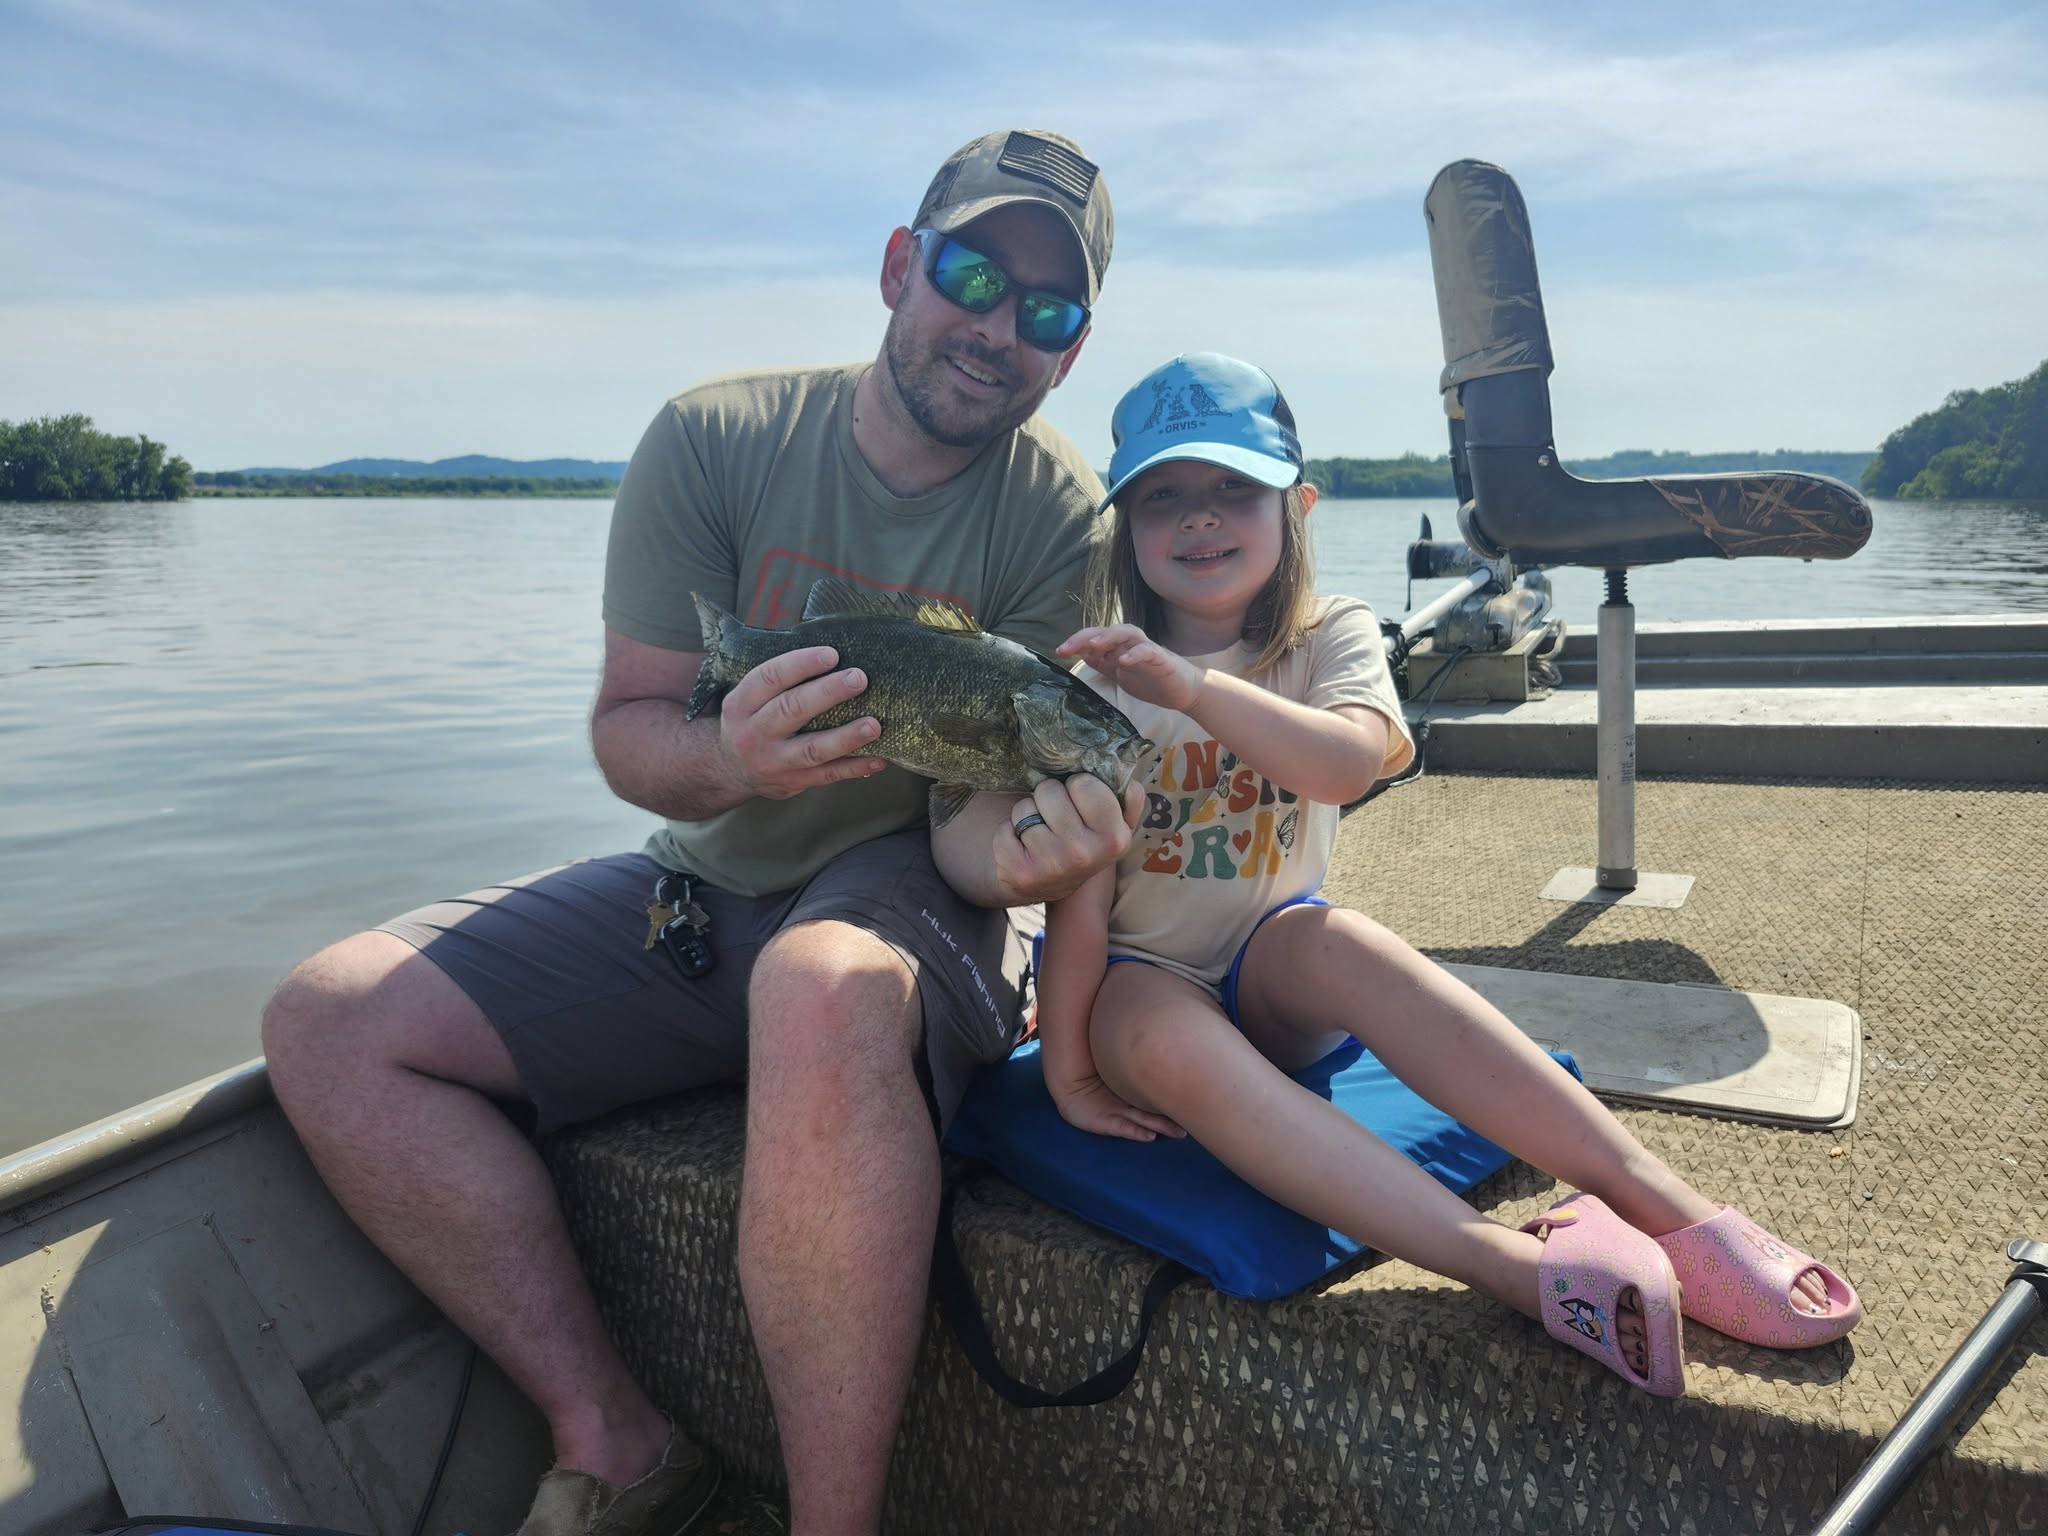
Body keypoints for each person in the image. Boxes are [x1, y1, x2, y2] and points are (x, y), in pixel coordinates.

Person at [261, 130, 1138, 1536]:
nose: (997, 328)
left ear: (1071, 352)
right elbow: (633, 734)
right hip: (710, 877)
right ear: (899, 267)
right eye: (974, 276)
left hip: (906, 893)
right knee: (328, 1024)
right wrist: (731, 760)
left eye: (1045, 311)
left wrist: (1029, 860)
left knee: (818, 985)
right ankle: (616, 1441)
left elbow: (977, 822)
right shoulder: (715, 438)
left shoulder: (1061, 513)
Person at [1033, 351, 1864, 1397]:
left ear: (1296, 505)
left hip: (1269, 972)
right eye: (1162, 497)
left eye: (1233, 486)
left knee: (1335, 937)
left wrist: (1194, 688)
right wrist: (1067, 1073)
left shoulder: (1327, 633)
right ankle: (1508, 1266)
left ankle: (1662, 1205)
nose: (1199, 515)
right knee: (1156, 1023)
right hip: (1139, 989)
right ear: (1126, 529)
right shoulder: (1091, 684)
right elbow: (1076, 891)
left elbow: (1345, 763)